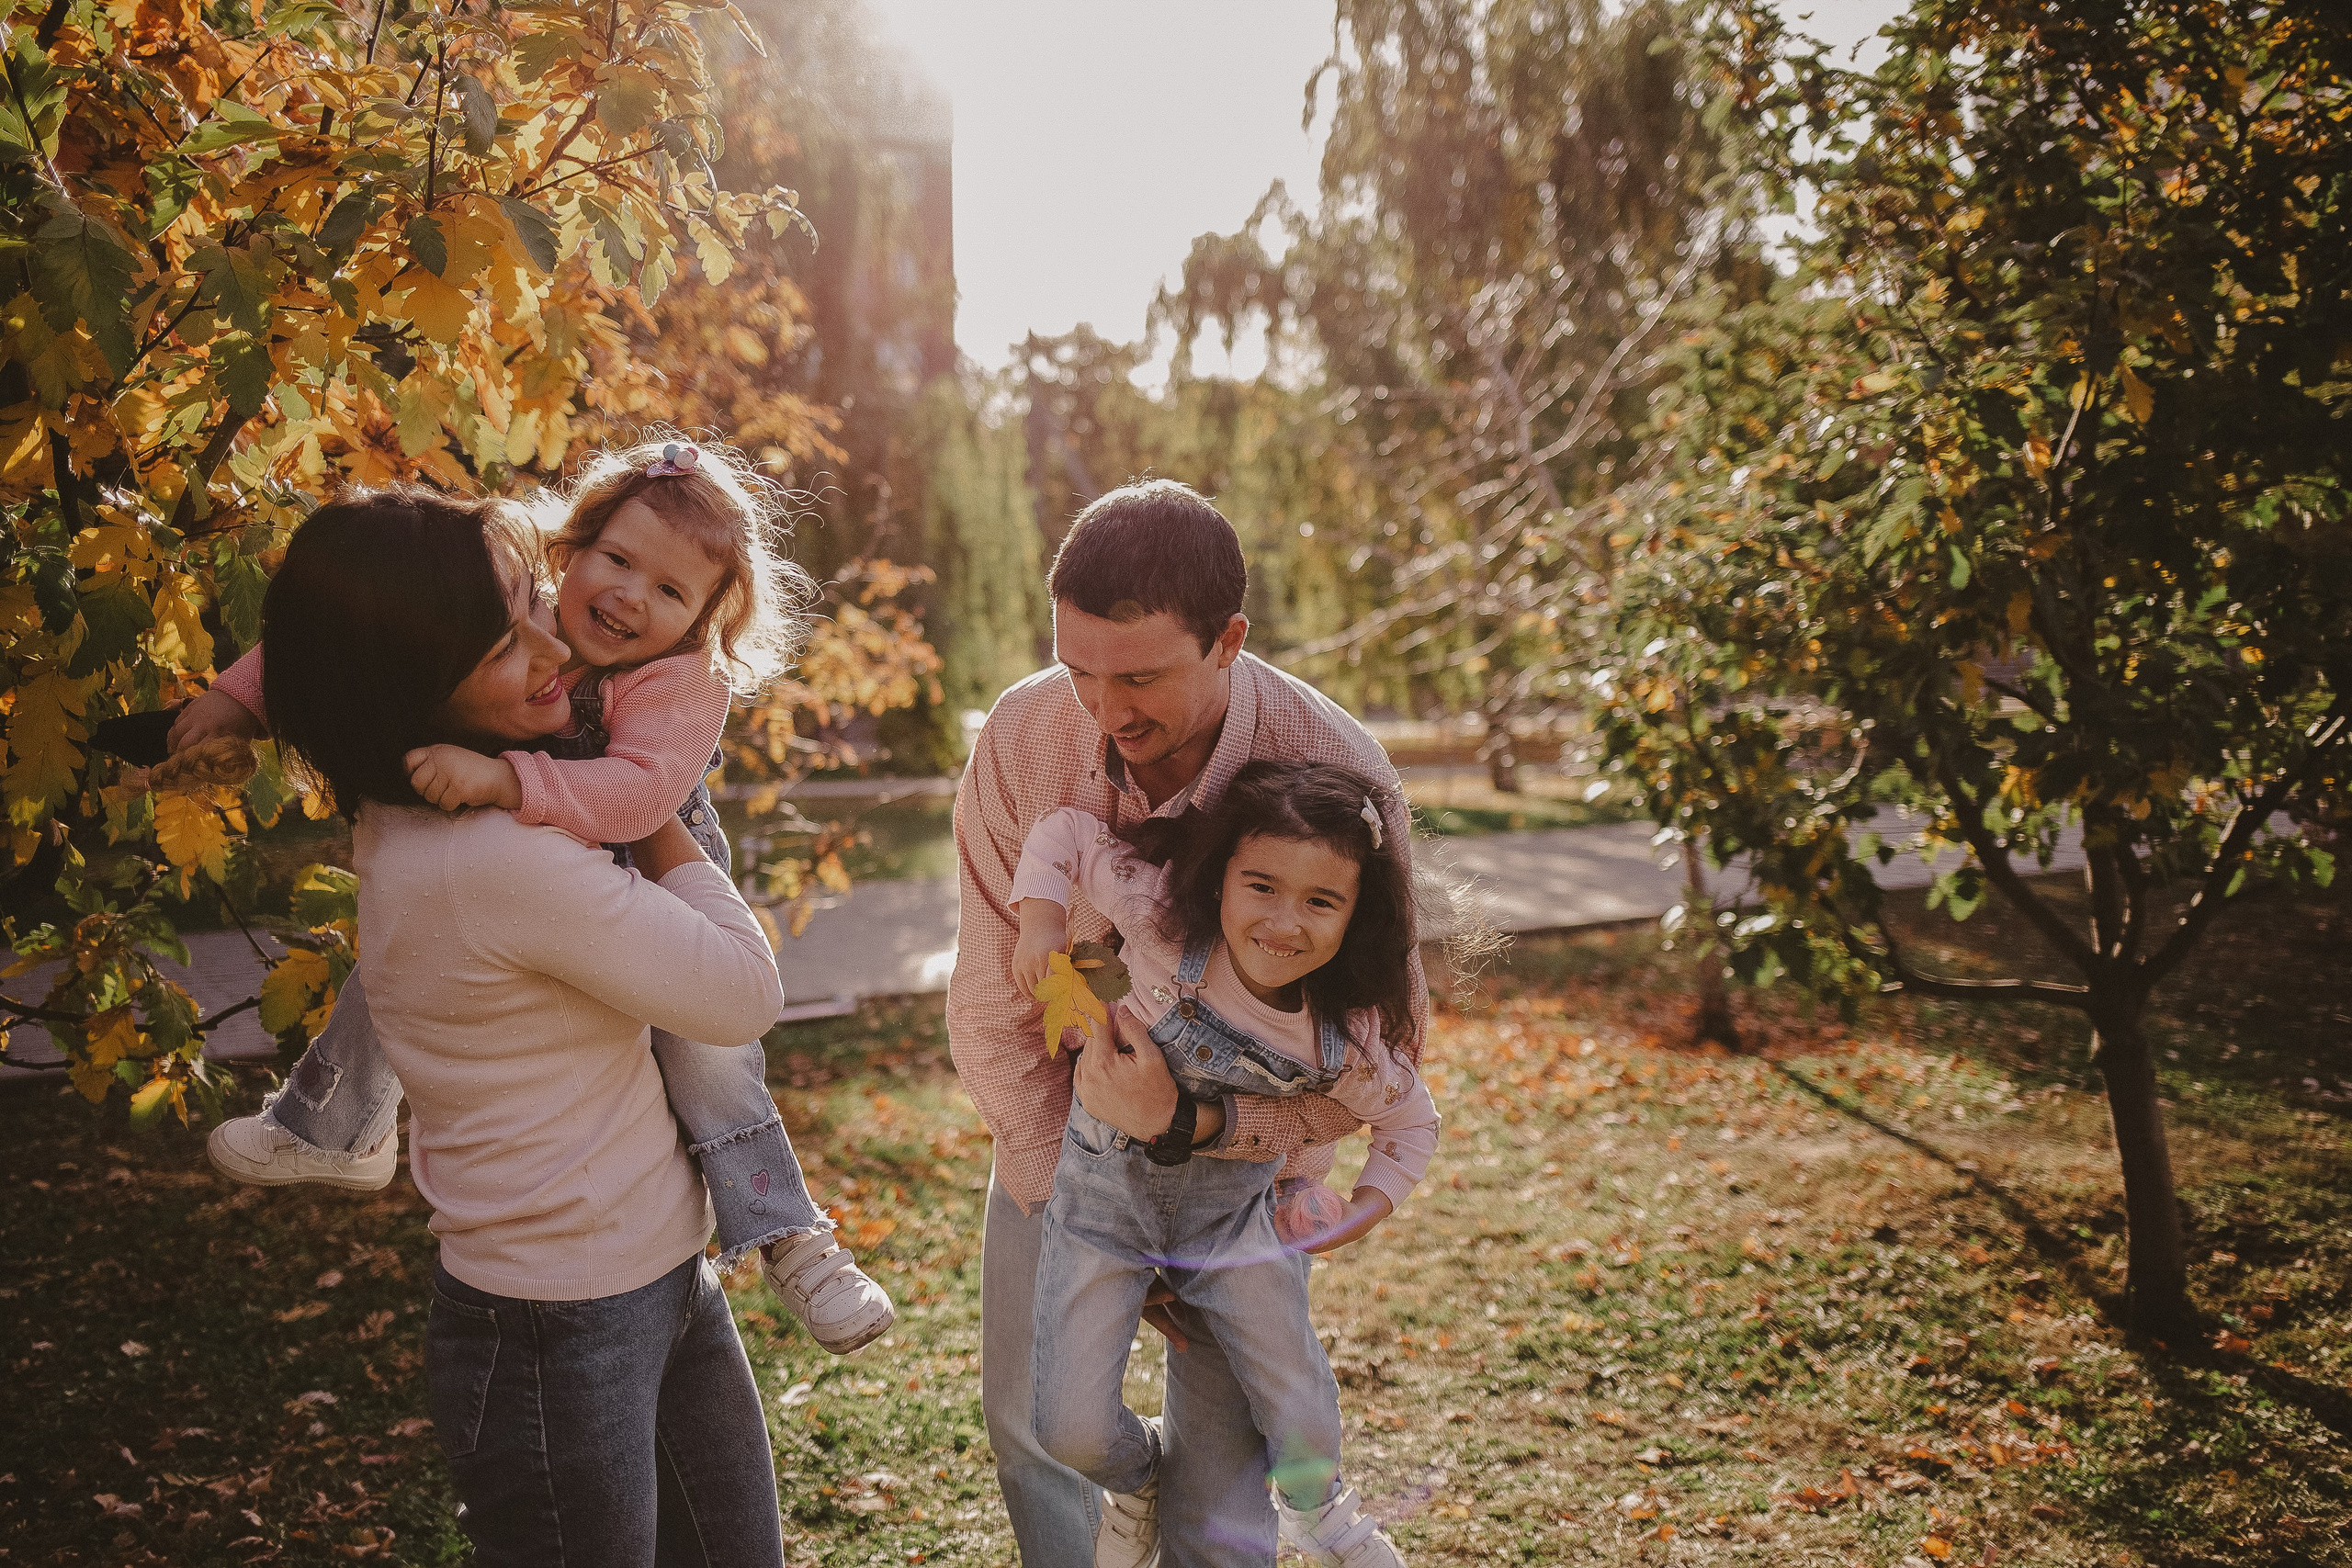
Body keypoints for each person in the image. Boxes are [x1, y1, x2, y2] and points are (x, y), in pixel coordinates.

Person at [189, 437, 891, 1352]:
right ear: (573, 543)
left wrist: (503, 782)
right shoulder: (525, 604)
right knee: (396, 964)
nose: (632, 596)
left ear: (705, 621)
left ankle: (786, 1231)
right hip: (530, 834)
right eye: (618, 559)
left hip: (644, 845)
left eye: (672, 592)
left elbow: (641, 799)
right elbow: (367, 629)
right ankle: (337, 1122)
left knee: (710, 1058)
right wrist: (231, 702)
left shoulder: (684, 679)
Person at [255, 484, 788, 1562]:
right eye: (507, 643)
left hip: (652, 1273)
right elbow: (742, 992)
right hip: (560, 1323)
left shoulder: (441, 806)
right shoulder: (493, 857)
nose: (557, 647)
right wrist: (662, 816)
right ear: (414, 682)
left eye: (531, 608)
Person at [950, 479, 1427, 1565]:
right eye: (1080, 673)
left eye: (1142, 676)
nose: (1107, 713)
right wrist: (1074, 1197)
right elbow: (989, 997)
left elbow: (1380, 1043)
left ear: (1228, 641)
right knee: (1038, 1428)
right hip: (1063, 1142)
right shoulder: (1027, 737)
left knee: (1223, 1488)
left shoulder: (1340, 773)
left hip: (1242, 1185)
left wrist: (1201, 1144)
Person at [1012, 761, 1437, 1567]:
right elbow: (1067, 831)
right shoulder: (1164, 929)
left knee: (1291, 1376)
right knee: (1065, 1424)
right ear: (1222, 880)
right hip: (1101, 1200)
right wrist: (1039, 924)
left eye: (1321, 901)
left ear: (1357, 914)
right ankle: (1137, 1483)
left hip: (1233, 1218)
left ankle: (1319, 1509)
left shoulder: (1339, 1039)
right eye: (1262, 886)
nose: (1284, 921)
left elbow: (1412, 1126)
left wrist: (1357, 1214)